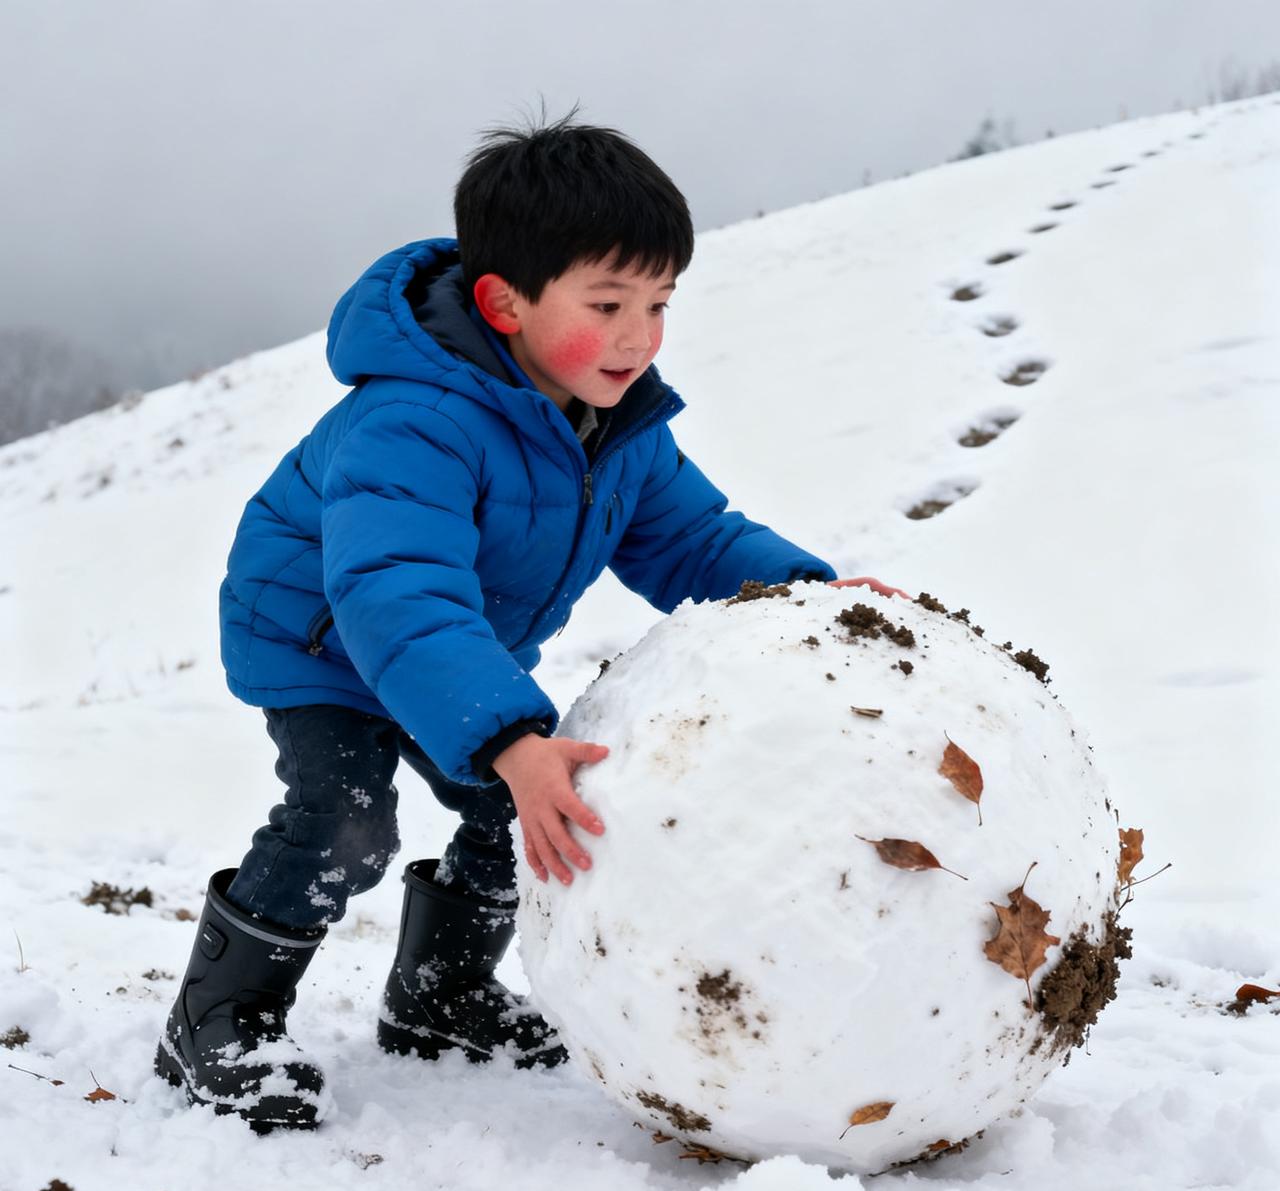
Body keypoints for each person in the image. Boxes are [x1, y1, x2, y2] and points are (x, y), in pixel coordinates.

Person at [154, 109, 902, 1131]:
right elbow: (394, 590)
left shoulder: (618, 429)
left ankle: (438, 999)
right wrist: (508, 733)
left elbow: (693, 540)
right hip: (323, 644)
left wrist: (808, 599)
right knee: (346, 820)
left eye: (659, 302)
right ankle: (220, 1020)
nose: (638, 335)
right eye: (608, 302)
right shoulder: (414, 418)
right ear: (506, 303)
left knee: (535, 808)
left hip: (453, 651)